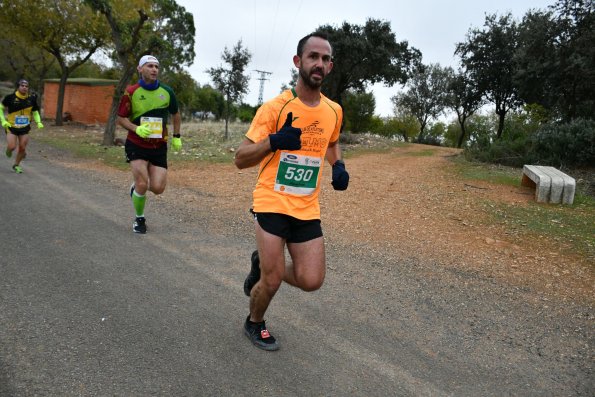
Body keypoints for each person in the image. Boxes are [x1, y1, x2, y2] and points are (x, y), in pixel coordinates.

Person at [234, 32, 350, 351]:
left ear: (330, 67)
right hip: (271, 199)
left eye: (326, 59)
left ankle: (262, 264)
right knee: (271, 282)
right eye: (313, 57)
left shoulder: (333, 111)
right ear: (298, 62)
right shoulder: (275, 108)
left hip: (306, 206)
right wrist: (273, 141)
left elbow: (331, 141)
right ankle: (254, 322)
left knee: (312, 280)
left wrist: (338, 165)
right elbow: (240, 159)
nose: (320, 64)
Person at [117, 55, 182, 234]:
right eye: (149, 66)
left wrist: (177, 136)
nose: (154, 69)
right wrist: (136, 129)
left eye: (156, 66)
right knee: (142, 184)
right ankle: (139, 219)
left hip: (158, 146)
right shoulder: (131, 92)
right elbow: (121, 118)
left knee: (158, 188)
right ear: (140, 69)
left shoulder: (167, 91)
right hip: (136, 144)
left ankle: (136, 188)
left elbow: (176, 114)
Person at [0, 79, 44, 173]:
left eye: (26, 86)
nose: (24, 87)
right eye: (22, 86)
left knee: (22, 148)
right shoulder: (10, 97)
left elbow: (35, 112)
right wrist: (3, 120)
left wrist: (38, 122)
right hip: (11, 126)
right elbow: (0, 108)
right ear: (18, 87)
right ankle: (9, 149)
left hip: (25, 127)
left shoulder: (31, 99)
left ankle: (16, 165)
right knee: (12, 147)